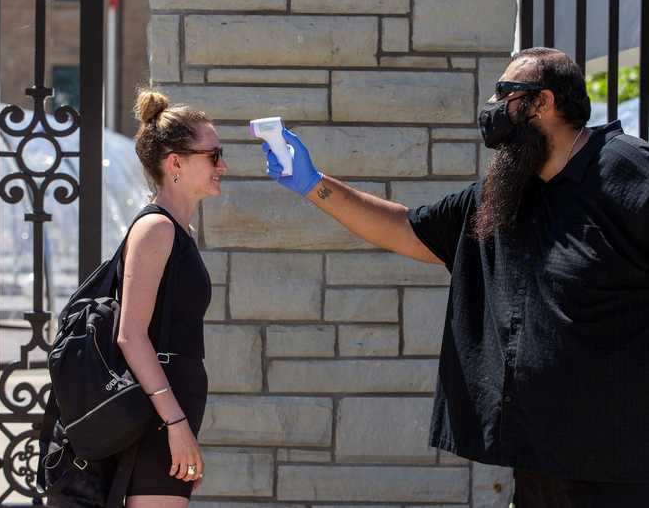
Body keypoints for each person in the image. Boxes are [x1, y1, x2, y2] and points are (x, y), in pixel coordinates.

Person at [260, 47, 649, 507]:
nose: (492, 107)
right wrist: (313, 184)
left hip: (621, 462)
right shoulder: (509, 189)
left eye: (505, 94)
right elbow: (408, 229)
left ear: (543, 103)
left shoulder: (625, 168)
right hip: (539, 458)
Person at [117, 89, 227, 508]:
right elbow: (130, 335)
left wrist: (181, 425)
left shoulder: (179, 232)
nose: (223, 166)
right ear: (175, 162)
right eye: (213, 156)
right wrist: (176, 424)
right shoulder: (157, 229)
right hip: (156, 417)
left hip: (168, 411)